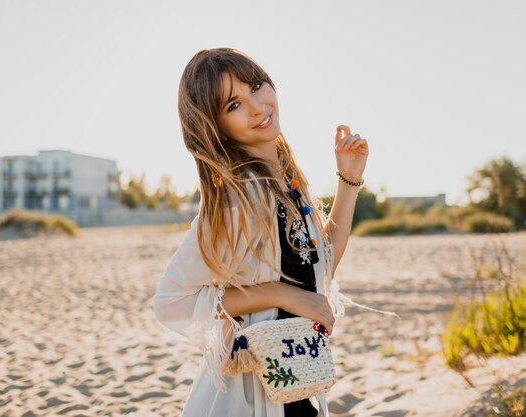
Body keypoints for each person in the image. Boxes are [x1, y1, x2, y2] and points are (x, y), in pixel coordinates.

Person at [152, 48, 370, 417]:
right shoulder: (237, 198)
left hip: (296, 384)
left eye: (256, 86)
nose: (257, 106)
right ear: (214, 125)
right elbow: (171, 304)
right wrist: (278, 293)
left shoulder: (287, 184)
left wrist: (348, 181)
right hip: (247, 400)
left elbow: (320, 267)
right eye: (233, 105)